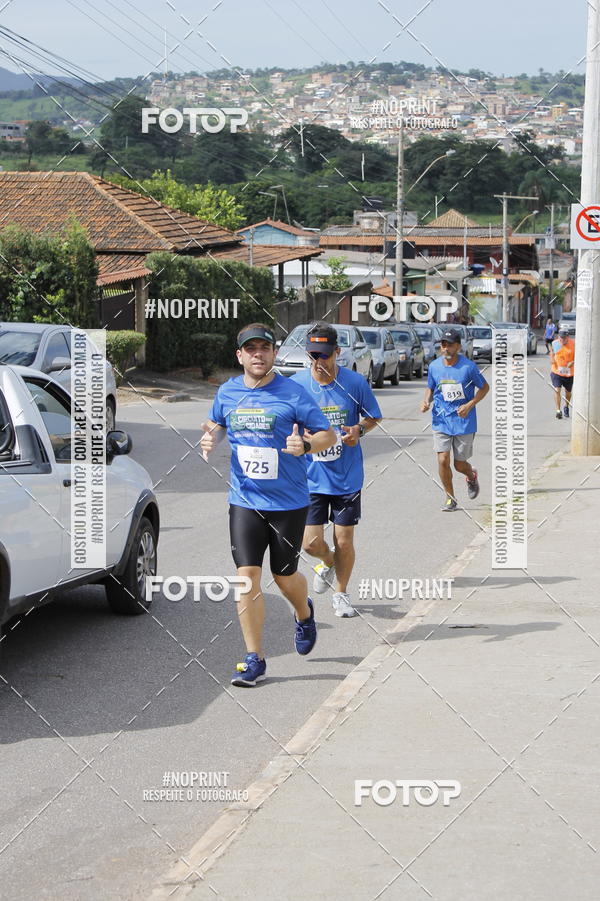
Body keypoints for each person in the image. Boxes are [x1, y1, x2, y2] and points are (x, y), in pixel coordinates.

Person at [200, 323, 336, 687]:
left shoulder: (292, 393)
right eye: (251, 349)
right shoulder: (228, 392)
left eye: (264, 348)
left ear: (274, 354)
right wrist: (210, 437)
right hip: (244, 500)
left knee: (284, 574)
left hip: (288, 502)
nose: (258, 354)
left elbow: (327, 434)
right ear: (239, 356)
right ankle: (254, 658)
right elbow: (216, 423)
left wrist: (306, 447)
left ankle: (304, 613)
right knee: (247, 579)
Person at [290, 323, 382, 618]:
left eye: (325, 355)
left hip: (346, 477)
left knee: (344, 539)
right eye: (314, 355)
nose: (319, 361)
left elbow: (373, 417)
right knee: (310, 544)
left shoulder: (354, 383)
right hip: (309, 478)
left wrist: (359, 430)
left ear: (337, 353)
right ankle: (328, 562)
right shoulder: (296, 386)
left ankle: (341, 593)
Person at [421, 326, 490, 511]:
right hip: (441, 420)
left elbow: (484, 388)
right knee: (443, 460)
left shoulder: (468, 367)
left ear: (458, 346)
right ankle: (450, 498)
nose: (446, 348)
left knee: (459, 464)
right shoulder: (435, 366)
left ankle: (471, 475)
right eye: (443, 344)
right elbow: (430, 387)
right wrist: (426, 401)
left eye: (450, 345)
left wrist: (469, 405)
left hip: (464, 422)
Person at [549, 326, 575, 419]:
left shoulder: (574, 344)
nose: (562, 339)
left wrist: (573, 362)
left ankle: (566, 406)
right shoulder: (555, 343)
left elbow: (578, 356)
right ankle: (558, 410)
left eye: (564, 338)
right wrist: (552, 359)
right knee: (557, 390)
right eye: (560, 337)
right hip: (556, 371)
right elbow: (551, 352)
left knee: (568, 393)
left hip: (569, 373)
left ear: (568, 337)